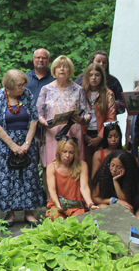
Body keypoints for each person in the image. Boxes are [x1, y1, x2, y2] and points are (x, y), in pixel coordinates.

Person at [0, 69, 44, 226]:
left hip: (26, 144)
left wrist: (26, 143)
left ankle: (29, 213)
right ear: (9, 86)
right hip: (4, 146)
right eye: (20, 85)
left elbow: (34, 119)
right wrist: (13, 146)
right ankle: (10, 214)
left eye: (24, 84)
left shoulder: (27, 95)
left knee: (28, 177)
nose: (23, 88)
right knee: (7, 179)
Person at [37, 55, 91, 197]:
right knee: (52, 166)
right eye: (59, 66)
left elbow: (88, 114)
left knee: (72, 165)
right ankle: (52, 201)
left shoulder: (78, 90)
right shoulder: (46, 89)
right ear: (54, 69)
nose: (62, 69)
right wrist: (44, 123)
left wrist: (82, 119)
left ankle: (75, 199)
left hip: (72, 132)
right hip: (52, 134)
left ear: (70, 69)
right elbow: (38, 114)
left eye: (65, 66)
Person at [92, 150, 139, 228]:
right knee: (102, 208)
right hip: (107, 204)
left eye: (118, 167)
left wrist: (115, 181)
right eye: (112, 165)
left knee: (128, 210)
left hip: (125, 206)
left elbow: (125, 201)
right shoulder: (103, 175)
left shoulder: (129, 178)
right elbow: (95, 198)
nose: (114, 169)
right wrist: (113, 200)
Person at [46, 137, 99, 220]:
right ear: (59, 152)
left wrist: (90, 204)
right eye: (65, 152)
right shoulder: (51, 167)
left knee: (78, 221)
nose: (67, 156)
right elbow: (52, 190)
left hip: (76, 205)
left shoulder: (82, 165)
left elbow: (84, 187)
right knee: (57, 219)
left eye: (71, 152)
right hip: (58, 204)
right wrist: (58, 206)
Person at [80, 63, 116, 175]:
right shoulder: (81, 92)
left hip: (102, 133)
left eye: (97, 75)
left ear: (102, 77)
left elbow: (111, 118)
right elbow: (77, 115)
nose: (94, 78)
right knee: (86, 167)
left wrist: (100, 136)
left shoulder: (108, 94)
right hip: (84, 134)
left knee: (101, 168)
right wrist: (84, 135)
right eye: (91, 75)